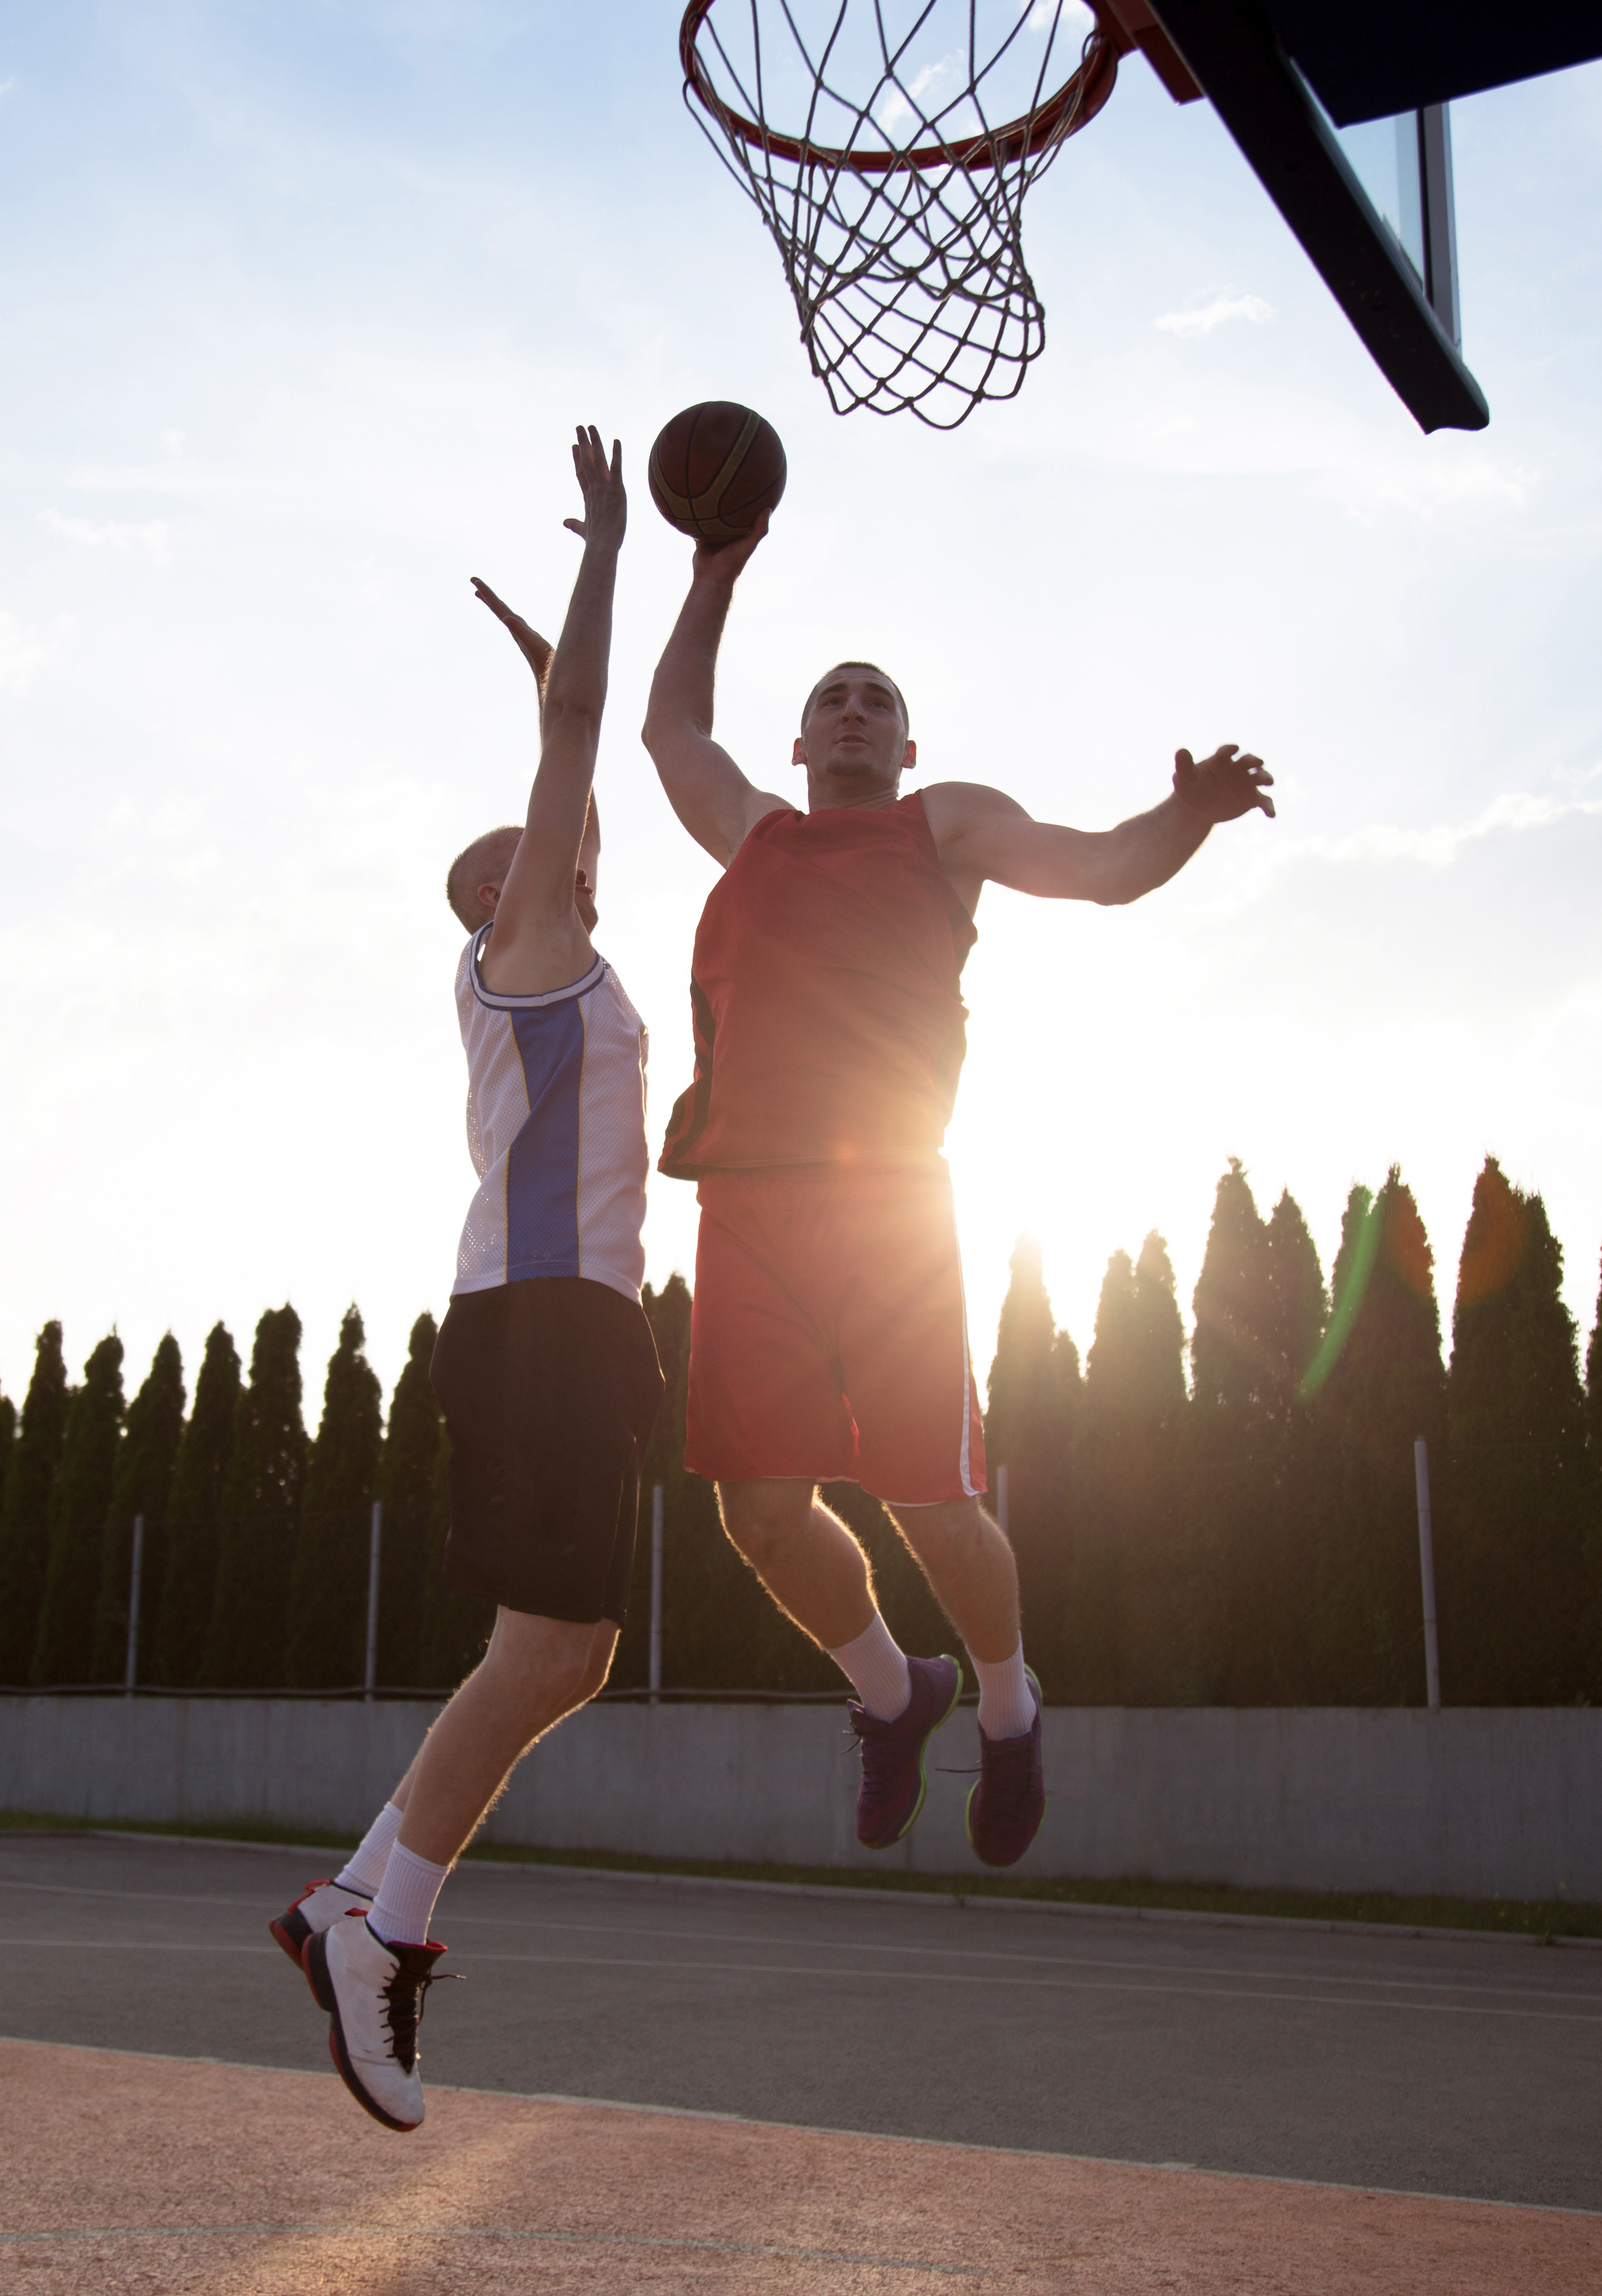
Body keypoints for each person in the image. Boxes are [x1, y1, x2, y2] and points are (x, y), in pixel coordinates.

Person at [638, 514, 1275, 1870]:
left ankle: (1005, 1707)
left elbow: (1102, 869)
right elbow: (670, 733)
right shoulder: (751, 835)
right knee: (755, 1514)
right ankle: (891, 1692)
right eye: (831, 700)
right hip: (748, 1202)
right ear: (801, 745)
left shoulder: (945, 827)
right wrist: (711, 577)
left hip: (890, 1204)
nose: (854, 710)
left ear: (905, 746)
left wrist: (1187, 817)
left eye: (879, 700)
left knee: (930, 1502)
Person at [268, 425, 661, 2134]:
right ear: (493, 899)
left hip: (577, 1326)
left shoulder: (564, 953)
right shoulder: (527, 958)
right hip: (541, 1326)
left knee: (572, 1653)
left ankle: (346, 1902)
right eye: (525, 840)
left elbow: (577, 767)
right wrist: (606, 554)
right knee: (560, 1637)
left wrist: (540, 681)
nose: (561, 841)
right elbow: (583, 748)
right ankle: (380, 1927)